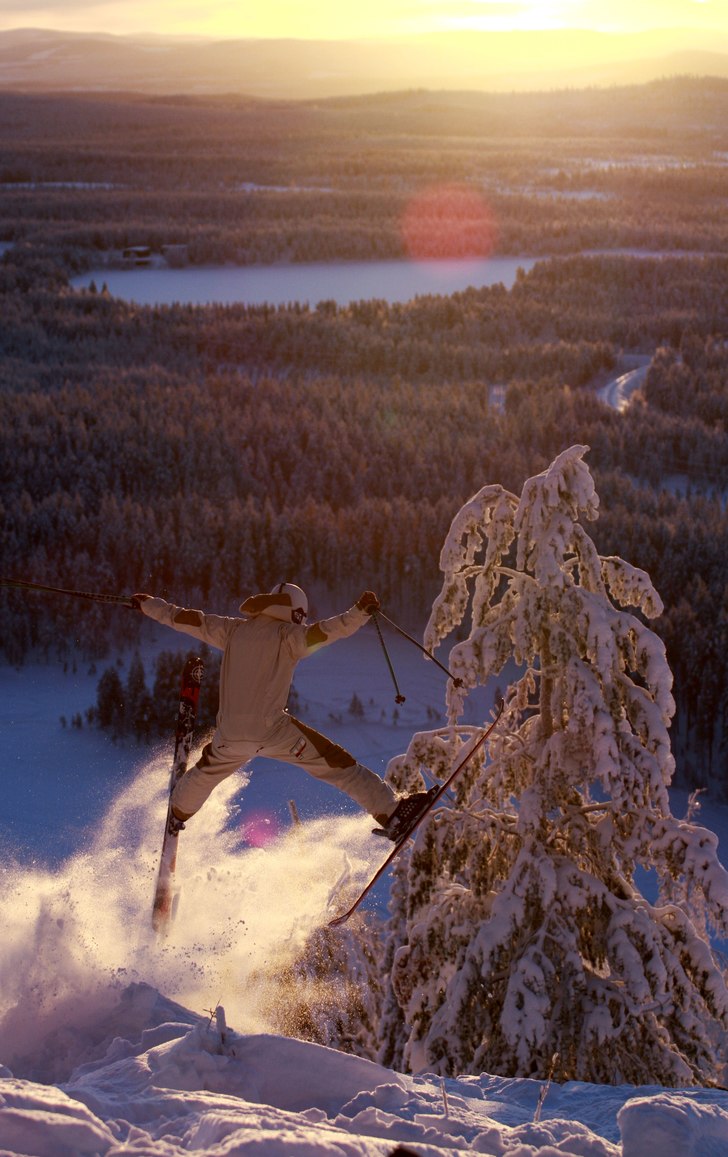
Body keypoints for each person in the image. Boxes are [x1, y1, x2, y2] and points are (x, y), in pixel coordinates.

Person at [132, 583, 434, 841]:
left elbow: (184, 618)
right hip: (273, 731)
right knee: (336, 764)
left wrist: (148, 605)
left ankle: (178, 811)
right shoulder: (289, 636)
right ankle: (393, 814)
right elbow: (328, 631)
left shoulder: (232, 630)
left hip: (229, 736)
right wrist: (359, 613)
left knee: (207, 771)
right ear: (297, 613)